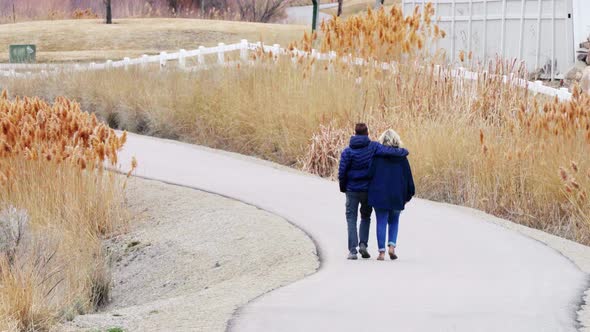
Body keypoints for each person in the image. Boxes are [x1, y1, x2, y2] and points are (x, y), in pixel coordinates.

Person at [338, 123, 409, 260]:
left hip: (351, 190)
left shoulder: (347, 151)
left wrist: (343, 187)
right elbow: (390, 151)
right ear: (367, 133)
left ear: (354, 133)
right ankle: (363, 244)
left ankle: (353, 251)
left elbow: (342, 172)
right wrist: (404, 152)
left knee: (351, 218)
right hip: (366, 189)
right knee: (365, 217)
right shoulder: (374, 147)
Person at [368, 129, 415, 261]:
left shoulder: (377, 157)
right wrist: (408, 195)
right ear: (396, 140)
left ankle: (381, 252)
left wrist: (369, 192)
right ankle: (392, 247)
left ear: (382, 140)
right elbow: (408, 178)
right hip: (397, 195)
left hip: (380, 195)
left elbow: (369, 174)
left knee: (381, 221)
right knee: (394, 220)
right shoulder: (402, 158)